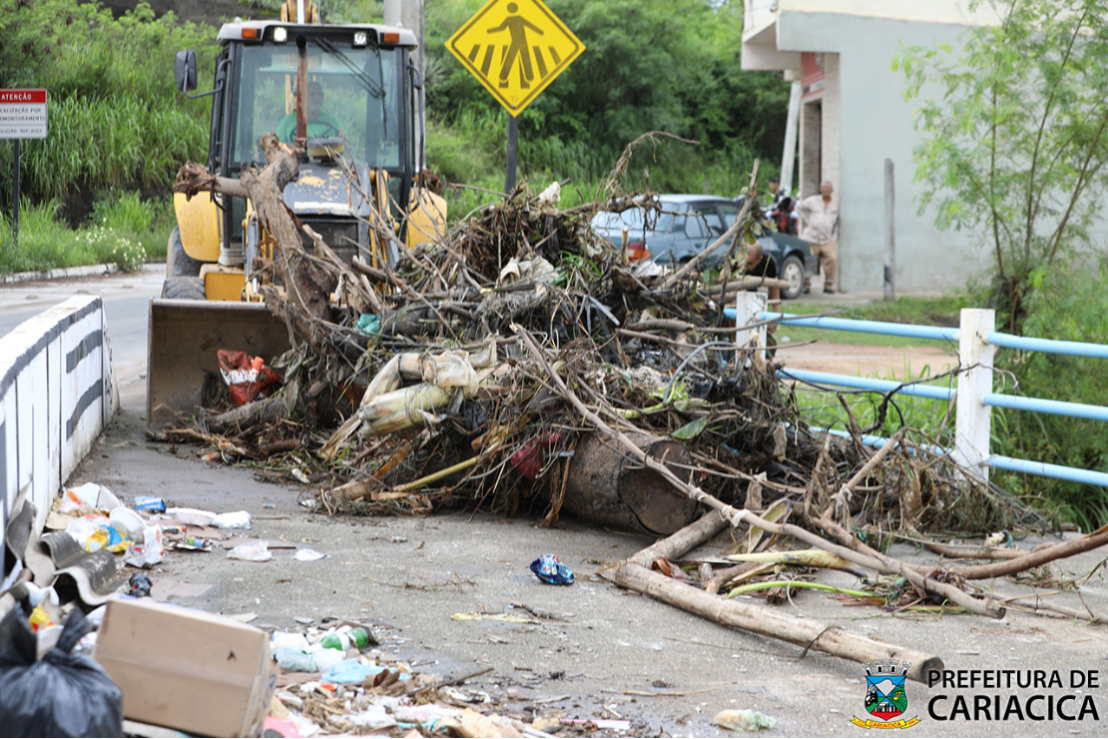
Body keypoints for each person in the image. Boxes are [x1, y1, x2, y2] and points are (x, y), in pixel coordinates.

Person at [796, 180, 839, 294]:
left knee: (832, 259)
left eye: (827, 188)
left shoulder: (836, 204)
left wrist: (834, 235)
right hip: (811, 237)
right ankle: (806, 284)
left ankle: (828, 285)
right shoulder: (813, 200)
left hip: (827, 239)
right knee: (808, 260)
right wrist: (806, 220)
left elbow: (838, 221)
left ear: (832, 190)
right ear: (820, 190)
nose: (825, 190)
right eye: (823, 188)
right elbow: (799, 207)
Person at [276, 81, 346, 144]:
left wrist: (342, 138)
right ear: (303, 98)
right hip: (295, 155)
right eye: (312, 95)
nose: (317, 98)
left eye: (320, 95)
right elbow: (275, 147)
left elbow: (346, 147)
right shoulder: (287, 122)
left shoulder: (334, 122)